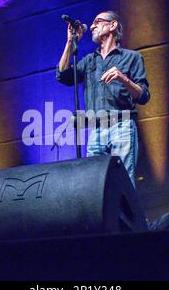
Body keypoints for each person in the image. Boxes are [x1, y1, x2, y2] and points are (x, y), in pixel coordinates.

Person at [56, 11, 150, 187]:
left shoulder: (132, 57)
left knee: (123, 182)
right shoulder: (89, 60)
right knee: (96, 185)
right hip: (96, 129)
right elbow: (63, 75)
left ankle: (126, 215)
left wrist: (123, 78)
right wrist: (70, 41)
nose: (92, 26)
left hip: (121, 125)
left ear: (113, 25)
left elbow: (144, 96)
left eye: (97, 22)